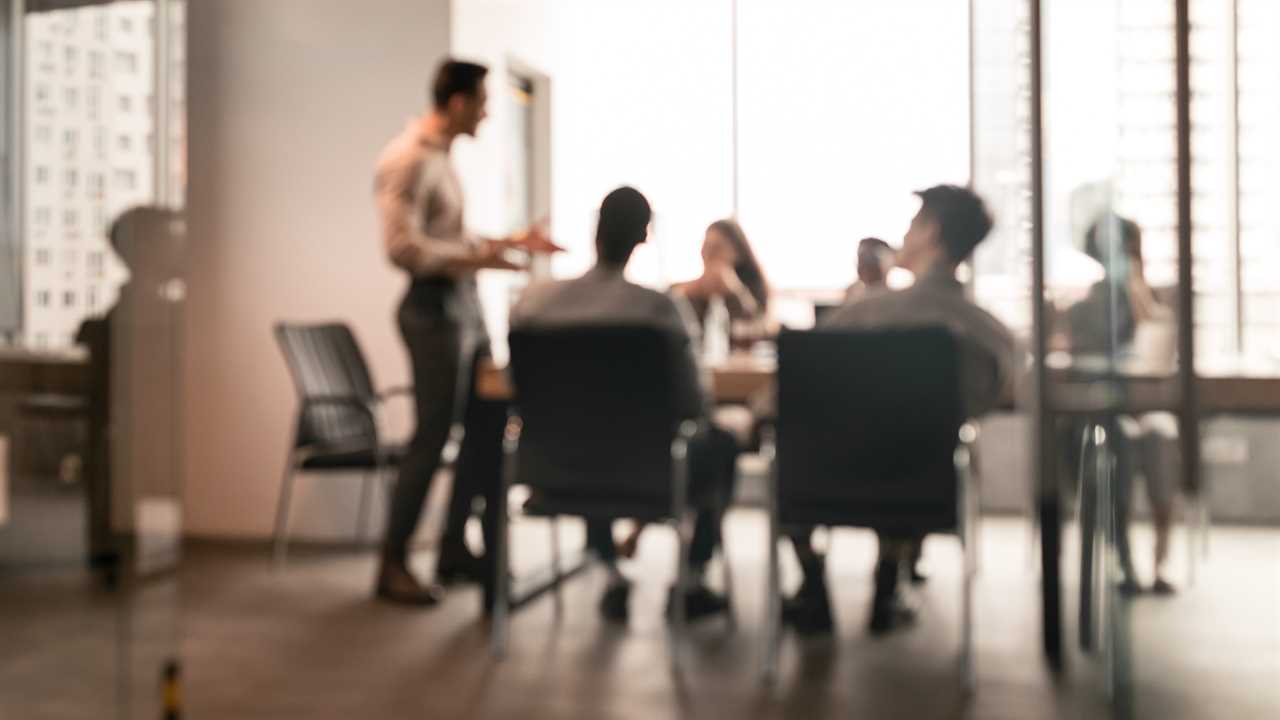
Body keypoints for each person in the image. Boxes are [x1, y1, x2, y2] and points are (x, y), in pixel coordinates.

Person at [781, 185, 1016, 636]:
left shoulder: (860, 313)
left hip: (824, 483)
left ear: (930, 231)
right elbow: (986, 401)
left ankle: (813, 582)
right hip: (924, 488)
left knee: (788, 444)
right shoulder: (991, 337)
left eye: (912, 224)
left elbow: (788, 393)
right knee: (915, 444)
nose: (905, 235)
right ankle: (889, 578)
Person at [372, 59, 561, 606]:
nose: (486, 112)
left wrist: (505, 245)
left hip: (462, 309)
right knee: (432, 437)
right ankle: (392, 563)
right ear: (456, 102)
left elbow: (448, 236)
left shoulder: (441, 159)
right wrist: (479, 257)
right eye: (482, 101)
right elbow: (402, 249)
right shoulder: (406, 160)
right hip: (433, 313)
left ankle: (455, 547)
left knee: (484, 427)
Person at [510, 186, 740, 624]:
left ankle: (610, 569)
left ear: (595, 232)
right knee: (722, 444)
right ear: (643, 237)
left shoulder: (534, 305)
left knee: (591, 437)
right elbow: (693, 403)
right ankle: (691, 580)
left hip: (553, 471)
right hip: (651, 473)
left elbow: (517, 392)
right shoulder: (658, 310)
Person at [1062, 214, 1178, 595]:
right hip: (1107, 411)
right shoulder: (1085, 304)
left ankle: (1161, 564)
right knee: (1118, 451)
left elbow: (1161, 349)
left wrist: (1137, 290)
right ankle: (1123, 562)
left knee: (1160, 442)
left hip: (1149, 408)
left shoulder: (1152, 299)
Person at [670, 219, 770, 336]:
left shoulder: (754, 291)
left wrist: (735, 292)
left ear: (737, 254)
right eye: (706, 246)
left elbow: (761, 330)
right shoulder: (682, 289)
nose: (708, 254)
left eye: (716, 248)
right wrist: (684, 296)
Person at [844, 236, 894, 303]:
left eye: (872, 256)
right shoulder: (852, 296)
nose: (865, 262)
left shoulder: (899, 299)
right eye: (861, 256)